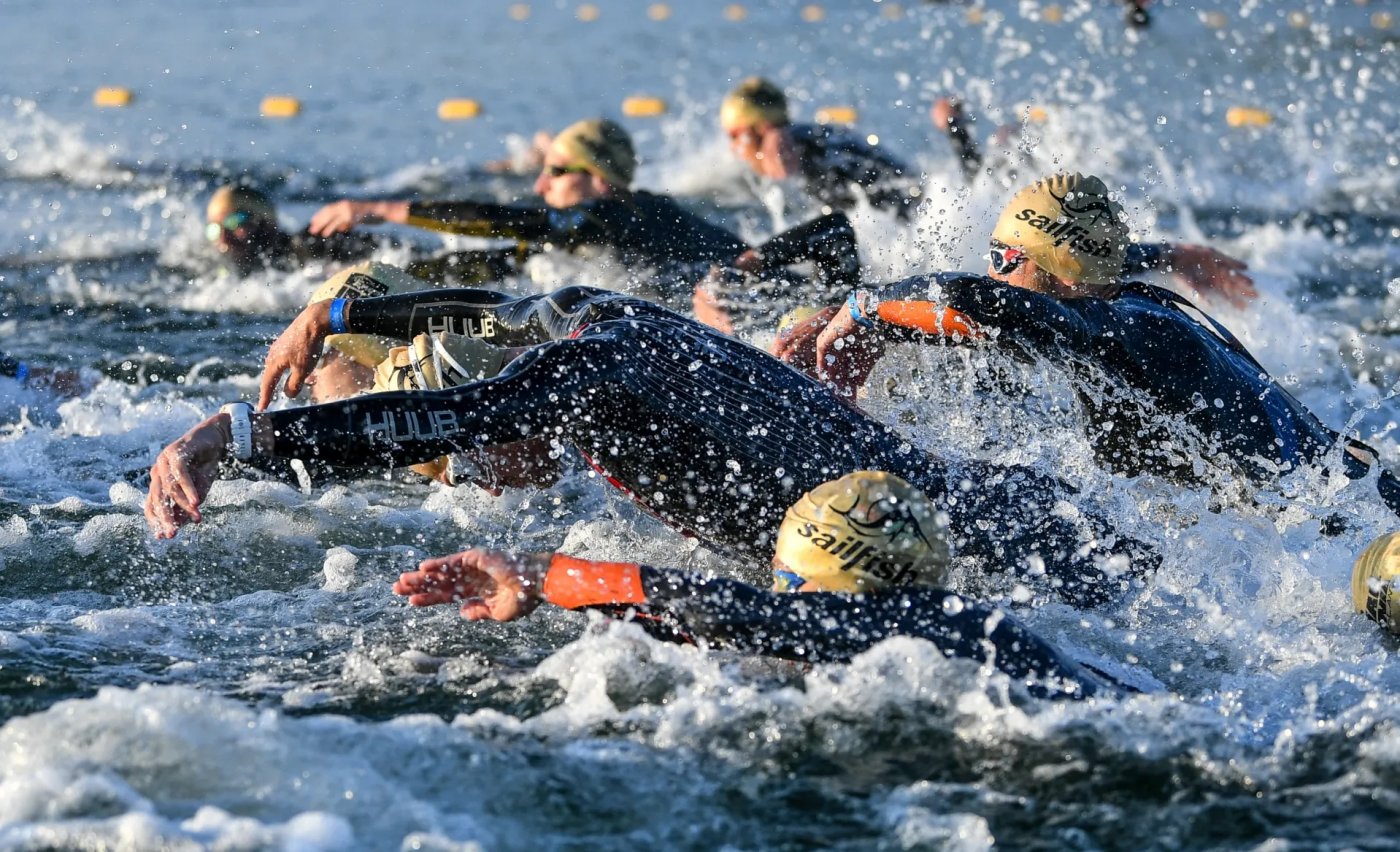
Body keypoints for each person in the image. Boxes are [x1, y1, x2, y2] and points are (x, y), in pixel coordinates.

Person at [144, 273, 1160, 607]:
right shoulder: (622, 325)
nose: (486, 481)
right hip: (999, 506)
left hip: (934, 551)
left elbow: (462, 412)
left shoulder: (571, 377)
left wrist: (230, 438)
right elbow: (517, 302)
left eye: (470, 469)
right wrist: (355, 306)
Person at [788, 172, 1400, 515]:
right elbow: (1027, 304)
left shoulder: (1124, 330)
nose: (992, 267)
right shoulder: (1126, 308)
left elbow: (983, 301)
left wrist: (862, 307)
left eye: (1001, 256)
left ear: (1045, 266)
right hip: (1347, 492)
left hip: (1351, 522)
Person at [394, 471, 1114, 700]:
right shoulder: (947, 623)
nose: (781, 597)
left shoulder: (883, 628)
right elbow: (715, 630)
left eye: (787, 583)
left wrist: (540, 573)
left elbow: (727, 610)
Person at [307, 119, 860, 330]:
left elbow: (509, 220)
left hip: (734, 312)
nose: (542, 185)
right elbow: (498, 259)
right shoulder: (625, 226)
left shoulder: (612, 213)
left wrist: (378, 207)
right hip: (747, 305)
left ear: (597, 178)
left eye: (555, 173)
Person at [719, 77, 923, 221]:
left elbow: (780, 164)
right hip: (912, 193)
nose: (733, 146)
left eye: (735, 135)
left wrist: (773, 146)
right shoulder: (811, 132)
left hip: (901, 211)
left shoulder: (780, 137)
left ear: (762, 127)